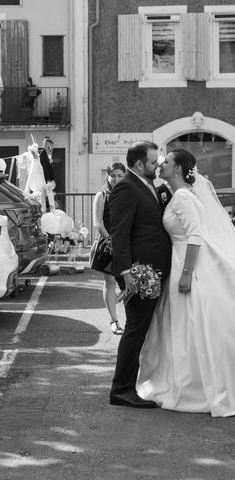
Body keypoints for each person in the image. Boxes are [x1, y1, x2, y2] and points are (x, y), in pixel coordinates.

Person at [137, 150, 235, 417]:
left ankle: (194, 388)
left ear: (178, 169)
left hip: (188, 264)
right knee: (180, 325)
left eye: (166, 162)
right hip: (180, 261)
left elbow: (195, 236)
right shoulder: (179, 195)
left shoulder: (182, 198)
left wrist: (186, 273)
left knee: (189, 324)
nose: (161, 165)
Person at [108, 141, 171, 409]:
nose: (157, 165)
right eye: (153, 162)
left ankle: (128, 386)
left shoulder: (149, 187)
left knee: (140, 329)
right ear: (138, 164)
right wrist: (127, 272)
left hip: (152, 270)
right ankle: (121, 389)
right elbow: (119, 233)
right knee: (135, 329)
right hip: (139, 272)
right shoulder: (126, 187)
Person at [92, 162, 126, 335]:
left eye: (120, 175)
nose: (116, 179)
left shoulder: (129, 194)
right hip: (108, 244)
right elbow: (97, 223)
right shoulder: (102, 195)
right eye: (113, 175)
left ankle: (131, 320)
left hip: (126, 244)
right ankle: (114, 320)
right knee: (110, 282)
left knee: (127, 282)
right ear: (107, 176)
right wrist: (111, 240)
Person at [39, 137, 56, 211]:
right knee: (44, 205)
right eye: (49, 147)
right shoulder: (42, 157)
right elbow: (45, 170)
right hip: (44, 183)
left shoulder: (47, 156)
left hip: (47, 183)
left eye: (52, 148)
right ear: (44, 146)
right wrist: (49, 181)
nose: (51, 149)